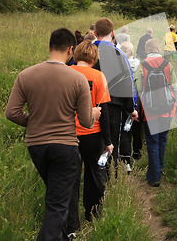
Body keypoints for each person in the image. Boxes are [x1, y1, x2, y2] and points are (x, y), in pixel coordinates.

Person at [6, 28, 101, 241]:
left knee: (56, 196)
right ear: (71, 50)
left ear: (49, 47)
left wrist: (34, 122)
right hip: (65, 146)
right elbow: (85, 122)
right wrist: (94, 113)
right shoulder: (76, 79)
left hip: (36, 146)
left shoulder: (26, 75)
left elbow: (11, 113)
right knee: (58, 205)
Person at [70, 41, 113, 226]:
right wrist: (108, 140)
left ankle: (70, 220)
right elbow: (103, 110)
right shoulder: (98, 76)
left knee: (70, 176)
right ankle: (92, 213)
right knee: (94, 174)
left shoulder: (66, 72)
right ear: (94, 58)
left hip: (69, 133)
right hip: (92, 133)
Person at [94, 18, 138, 175]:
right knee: (112, 142)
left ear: (94, 32)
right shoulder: (119, 53)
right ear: (112, 33)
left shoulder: (87, 52)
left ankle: (95, 174)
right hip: (113, 106)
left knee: (94, 142)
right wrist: (131, 108)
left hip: (91, 106)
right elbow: (127, 82)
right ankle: (110, 176)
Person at [135, 39, 177, 187]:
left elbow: (139, 90)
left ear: (147, 49)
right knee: (163, 139)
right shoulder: (167, 64)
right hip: (167, 108)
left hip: (150, 110)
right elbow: (175, 88)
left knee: (152, 142)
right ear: (159, 48)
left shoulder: (141, 65)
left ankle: (154, 177)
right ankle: (159, 168)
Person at [119, 41, 144, 163]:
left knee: (125, 125)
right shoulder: (139, 64)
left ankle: (124, 154)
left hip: (124, 96)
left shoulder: (121, 64)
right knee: (137, 126)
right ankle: (137, 151)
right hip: (138, 96)